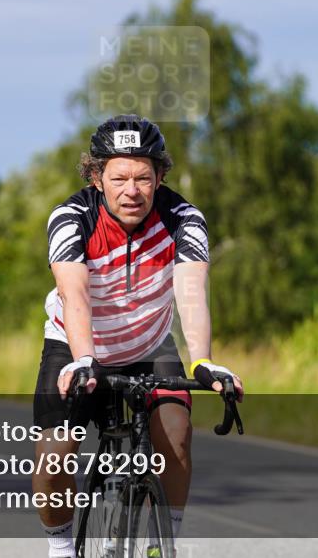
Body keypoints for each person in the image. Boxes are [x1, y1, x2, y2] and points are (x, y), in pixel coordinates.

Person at [32, 114, 243, 557]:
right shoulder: (71, 219)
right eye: (120, 177)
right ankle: (61, 547)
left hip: (149, 344)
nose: (132, 190)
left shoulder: (184, 219)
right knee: (55, 456)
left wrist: (203, 360)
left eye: (144, 178)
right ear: (96, 177)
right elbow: (75, 297)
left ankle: (163, 542)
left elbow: (191, 294)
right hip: (75, 344)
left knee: (177, 433)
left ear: (160, 176)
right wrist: (85, 358)